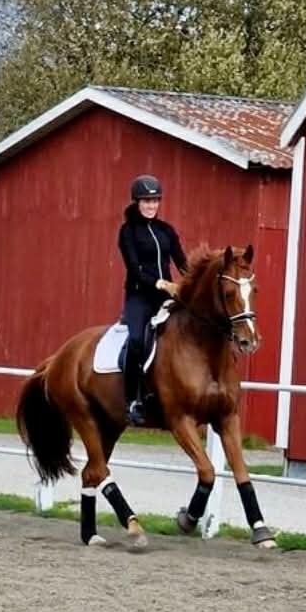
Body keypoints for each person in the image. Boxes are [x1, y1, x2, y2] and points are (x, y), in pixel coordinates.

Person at [117, 174, 187, 426]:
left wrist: (192, 282)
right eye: (146, 201)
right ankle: (131, 400)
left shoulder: (166, 230)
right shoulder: (128, 232)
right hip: (139, 296)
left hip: (166, 297)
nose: (151, 205)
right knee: (136, 340)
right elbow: (134, 269)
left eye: (155, 200)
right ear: (137, 202)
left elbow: (182, 262)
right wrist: (161, 283)